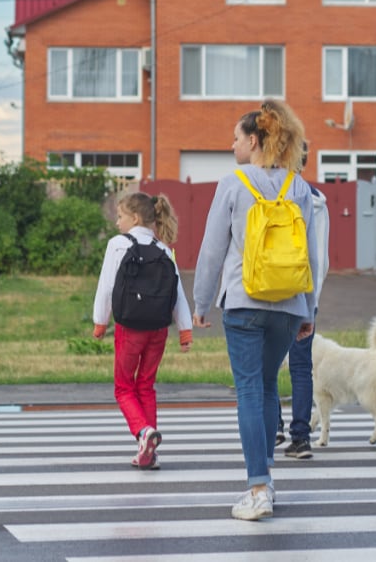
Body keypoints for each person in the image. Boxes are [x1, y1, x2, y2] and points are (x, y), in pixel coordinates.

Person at [192, 99, 319, 520]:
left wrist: (200, 302)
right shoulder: (299, 186)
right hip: (288, 305)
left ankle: (258, 488)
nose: (232, 146)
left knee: (248, 389)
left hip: (244, 302)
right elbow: (312, 256)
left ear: (254, 139)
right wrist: (309, 310)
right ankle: (266, 478)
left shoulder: (233, 183)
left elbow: (212, 249)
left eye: (235, 138)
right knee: (267, 387)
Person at [92, 192, 193, 470]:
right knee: (146, 386)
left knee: (123, 387)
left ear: (134, 218)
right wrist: (185, 330)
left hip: (129, 328)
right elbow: (179, 295)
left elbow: (106, 286)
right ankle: (149, 452)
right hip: (158, 330)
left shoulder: (118, 245)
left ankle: (143, 433)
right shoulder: (163, 250)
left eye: (120, 216)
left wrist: (100, 322)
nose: (117, 223)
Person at [278, 174, 330, 460]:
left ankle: (273, 425)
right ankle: (301, 438)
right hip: (306, 294)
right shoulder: (318, 200)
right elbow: (320, 258)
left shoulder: (268, 191)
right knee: (301, 367)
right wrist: (313, 301)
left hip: (272, 291)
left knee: (267, 363)